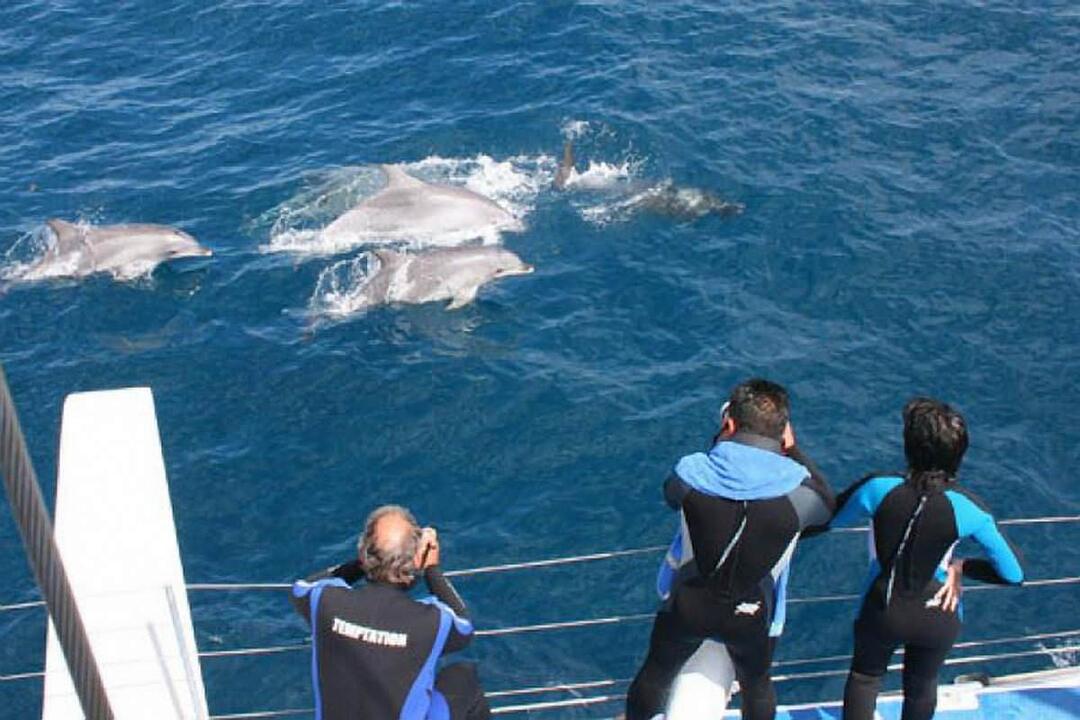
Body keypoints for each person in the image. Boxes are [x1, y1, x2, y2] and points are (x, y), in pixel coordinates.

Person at [626, 378, 836, 720]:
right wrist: (793, 451)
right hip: (751, 613)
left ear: (729, 424)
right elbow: (827, 508)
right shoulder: (800, 492)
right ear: (783, 435)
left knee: (655, 673)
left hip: (691, 603)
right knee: (757, 686)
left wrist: (722, 444)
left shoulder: (692, 473)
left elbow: (672, 493)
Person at [831, 398, 1024, 720]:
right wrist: (962, 566)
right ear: (958, 455)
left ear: (909, 447)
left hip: (883, 608)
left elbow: (827, 519)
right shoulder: (968, 508)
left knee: (865, 678)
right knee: (922, 686)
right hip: (939, 612)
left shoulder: (879, 488)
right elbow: (1013, 573)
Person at [290, 505, 490, 720]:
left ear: (364, 554)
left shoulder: (325, 601)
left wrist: (367, 562)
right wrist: (432, 569)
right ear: (416, 560)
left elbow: (302, 586)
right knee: (463, 675)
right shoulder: (432, 621)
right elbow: (464, 625)